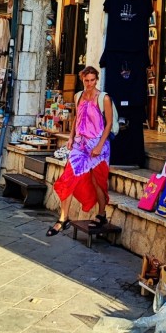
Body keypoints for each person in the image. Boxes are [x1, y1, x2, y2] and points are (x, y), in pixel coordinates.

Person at [46, 65, 113, 236]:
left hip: (98, 145)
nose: (89, 83)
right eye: (86, 80)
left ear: (96, 80)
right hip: (80, 144)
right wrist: (70, 137)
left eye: (92, 80)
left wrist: (99, 146)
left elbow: (109, 124)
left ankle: (102, 214)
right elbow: (77, 117)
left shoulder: (104, 98)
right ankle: (63, 218)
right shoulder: (78, 96)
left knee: (98, 181)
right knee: (67, 179)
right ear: (82, 80)